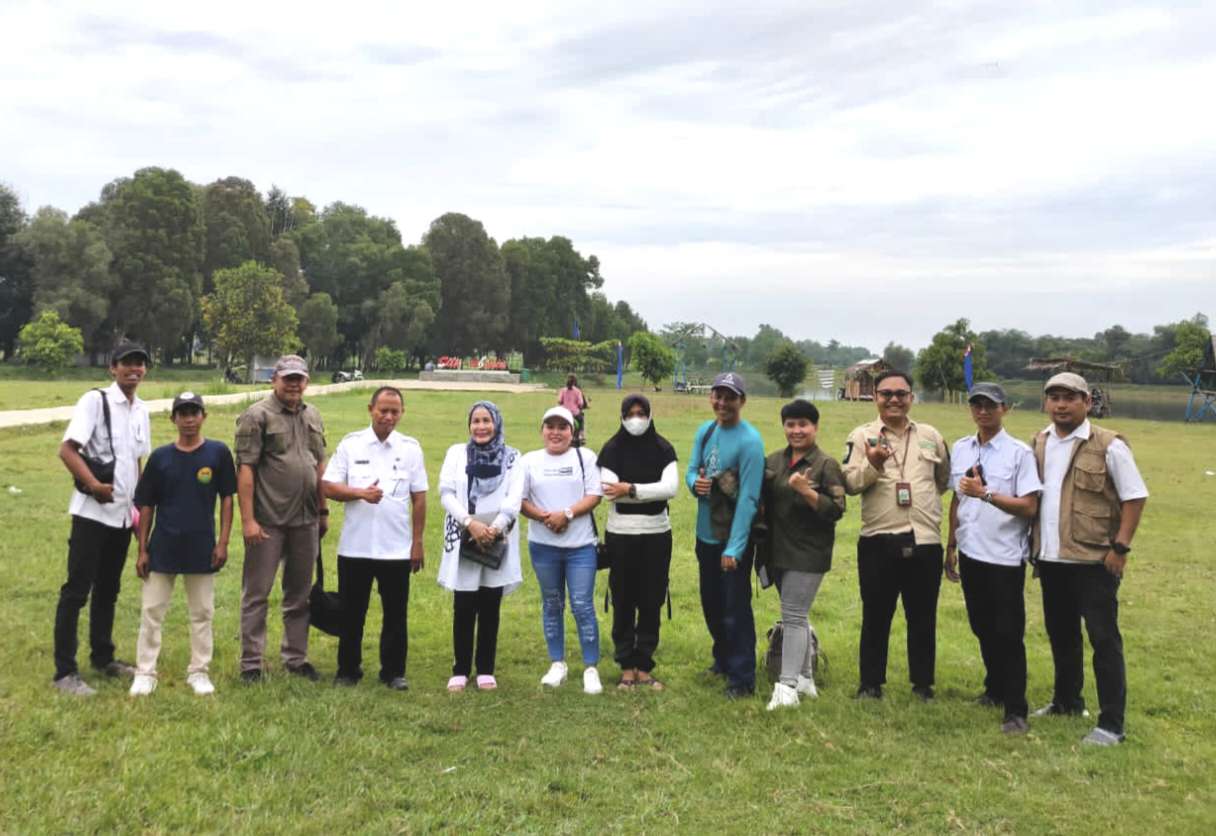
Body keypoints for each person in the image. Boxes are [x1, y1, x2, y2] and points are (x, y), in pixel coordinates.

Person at [1030, 372, 1147, 746]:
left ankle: (1112, 724)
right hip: (1051, 558)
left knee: (1104, 640)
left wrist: (1121, 548)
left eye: (1070, 398)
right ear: (1046, 403)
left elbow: (1134, 497)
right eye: (1054, 398)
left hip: (1095, 560)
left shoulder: (1109, 445)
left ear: (1087, 402)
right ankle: (1067, 701)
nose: (1061, 405)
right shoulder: (1040, 442)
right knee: (1061, 635)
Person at [843, 369, 950, 701]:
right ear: (875, 397)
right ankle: (870, 684)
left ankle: (923, 684)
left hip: (925, 540)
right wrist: (873, 465)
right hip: (878, 539)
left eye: (900, 393)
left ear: (911, 398)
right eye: (886, 393)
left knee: (922, 616)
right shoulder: (862, 436)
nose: (893, 399)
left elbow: (943, 479)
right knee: (876, 614)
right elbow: (850, 484)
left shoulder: (931, 435)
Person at [52, 340, 152, 695]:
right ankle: (65, 673)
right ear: (113, 368)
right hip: (92, 515)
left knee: (108, 590)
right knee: (76, 591)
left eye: (140, 364)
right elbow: (67, 449)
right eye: (127, 363)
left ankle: (103, 658)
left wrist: (138, 509)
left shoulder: (141, 409)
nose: (134, 369)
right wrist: (94, 484)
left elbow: (138, 460)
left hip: (123, 517)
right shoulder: (95, 401)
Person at [944, 383, 1042, 733]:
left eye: (990, 405)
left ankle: (1016, 710)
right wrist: (951, 544)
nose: (983, 411)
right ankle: (995, 689)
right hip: (971, 552)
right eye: (977, 405)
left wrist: (986, 494)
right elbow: (958, 499)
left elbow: (1029, 506)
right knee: (981, 626)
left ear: (1005, 409)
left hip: (1004, 558)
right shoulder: (961, 448)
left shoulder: (1019, 454)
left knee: (1008, 633)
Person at [129, 393, 237, 697]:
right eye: (182, 413)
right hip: (163, 546)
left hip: (202, 545)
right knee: (152, 610)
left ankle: (199, 670)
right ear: (172, 418)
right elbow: (146, 505)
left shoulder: (217, 453)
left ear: (204, 416)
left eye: (194, 412)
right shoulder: (161, 457)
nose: (188, 419)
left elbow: (227, 499)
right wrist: (142, 549)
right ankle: (145, 672)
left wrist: (223, 542)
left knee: (202, 612)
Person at [321, 386, 427, 691]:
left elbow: (419, 498)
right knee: (352, 612)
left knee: (396, 613)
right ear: (370, 409)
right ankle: (348, 670)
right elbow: (328, 486)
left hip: (396, 548)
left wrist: (417, 542)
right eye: (383, 410)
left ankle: (393, 671)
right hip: (356, 547)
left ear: (402, 413)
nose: (389, 417)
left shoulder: (410, 448)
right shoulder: (352, 445)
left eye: (395, 411)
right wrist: (359, 493)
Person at [235, 354, 329, 683]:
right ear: (274, 379)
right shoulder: (256, 415)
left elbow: (319, 466)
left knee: (300, 594)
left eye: (299, 378)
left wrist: (323, 509)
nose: (293, 384)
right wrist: (248, 520)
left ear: (307, 381)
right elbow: (245, 470)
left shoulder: (313, 415)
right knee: (257, 594)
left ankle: (295, 657)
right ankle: (251, 663)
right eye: (287, 378)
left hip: (305, 520)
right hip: (267, 520)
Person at [762, 399, 846, 711]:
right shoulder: (773, 461)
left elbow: (836, 510)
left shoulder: (826, 465)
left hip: (809, 553)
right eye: (791, 424)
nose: (796, 431)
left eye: (803, 425)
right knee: (797, 613)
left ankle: (786, 688)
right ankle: (806, 678)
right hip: (778, 551)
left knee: (793, 616)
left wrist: (806, 491)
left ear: (815, 427)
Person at [686, 371, 765, 699]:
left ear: (741, 401)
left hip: (732, 540)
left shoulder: (750, 441)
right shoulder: (705, 431)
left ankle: (742, 677)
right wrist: (695, 484)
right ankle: (722, 659)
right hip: (705, 535)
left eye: (730, 397)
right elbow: (691, 470)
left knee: (735, 609)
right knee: (712, 605)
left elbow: (749, 498)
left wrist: (734, 548)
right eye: (717, 395)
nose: (722, 402)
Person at [437, 401, 524, 692]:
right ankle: (460, 669)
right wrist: (469, 523)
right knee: (464, 605)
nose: (481, 426)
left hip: (496, 538)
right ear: (469, 425)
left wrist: (493, 529)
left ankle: (485, 668)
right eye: (476, 420)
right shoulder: (456, 453)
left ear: (496, 424)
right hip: (464, 534)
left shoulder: (513, 457)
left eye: (487, 420)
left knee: (489, 604)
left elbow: (514, 498)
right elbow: (447, 493)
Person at [520, 406, 604, 694]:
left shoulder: (586, 457)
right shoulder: (528, 460)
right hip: (543, 546)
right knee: (552, 603)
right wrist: (546, 517)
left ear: (573, 432)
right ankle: (558, 663)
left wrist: (566, 514)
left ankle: (591, 667)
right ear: (542, 430)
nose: (556, 432)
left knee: (582, 604)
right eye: (550, 426)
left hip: (580, 546)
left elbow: (595, 495)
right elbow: (519, 500)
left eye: (562, 427)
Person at [597, 394, 679, 689]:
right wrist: (645, 491)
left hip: (657, 534)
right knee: (622, 599)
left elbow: (670, 488)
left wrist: (630, 488)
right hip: (620, 534)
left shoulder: (663, 448)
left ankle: (644, 665)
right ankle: (626, 665)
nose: (636, 419)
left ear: (650, 414)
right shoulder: (611, 449)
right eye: (630, 413)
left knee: (651, 599)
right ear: (621, 416)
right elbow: (609, 490)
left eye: (641, 413)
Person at [557, 374, 589, 444]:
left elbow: (559, 401)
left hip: (564, 413)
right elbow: (580, 403)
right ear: (575, 382)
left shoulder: (563, 390)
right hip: (575, 413)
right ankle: (581, 436)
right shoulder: (577, 391)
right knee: (581, 421)